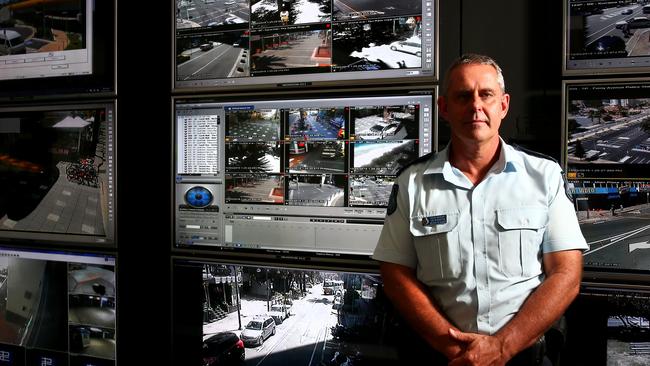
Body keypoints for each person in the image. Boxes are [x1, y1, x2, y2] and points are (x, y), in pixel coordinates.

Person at [373, 54, 587, 366]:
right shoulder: (412, 183)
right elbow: (395, 274)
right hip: (444, 357)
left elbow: (567, 273)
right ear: (444, 108)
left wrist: (502, 347)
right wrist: (456, 349)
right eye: (463, 96)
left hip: (525, 355)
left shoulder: (545, 176)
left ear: (503, 105)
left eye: (486, 94)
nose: (476, 106)